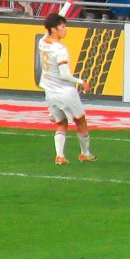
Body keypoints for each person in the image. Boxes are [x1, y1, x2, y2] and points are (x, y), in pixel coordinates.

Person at [39, 11, 96, 165]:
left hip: (50, 92)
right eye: (62, 26)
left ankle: (60, 156)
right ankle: (85, 153)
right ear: (54, 29)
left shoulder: (43, 42)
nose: (66, 29)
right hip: (65, 91)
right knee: (81, 121)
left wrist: (67, 4)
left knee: (62, 123)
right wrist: (81, 81)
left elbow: (50, 23)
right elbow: (64, 75)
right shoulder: (60, 50)